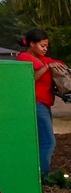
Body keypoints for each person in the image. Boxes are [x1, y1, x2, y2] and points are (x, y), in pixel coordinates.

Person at [16, 28, 64, 178]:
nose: (45, 48)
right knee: (49, 141)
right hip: (36, 103)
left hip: (45, 103)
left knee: (43, 139)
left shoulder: (44, 59)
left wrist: (54, 64)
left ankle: (38, 172)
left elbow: (58, 64)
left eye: (46, 46)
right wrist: (47, 67)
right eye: (42, 45)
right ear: (32, 44)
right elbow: (30, 78)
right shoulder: (24, 57)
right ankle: (43, 176)